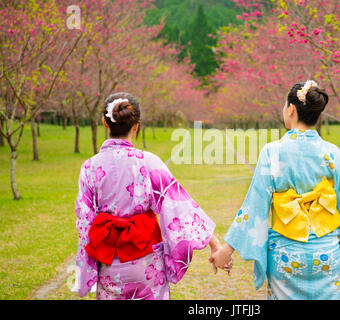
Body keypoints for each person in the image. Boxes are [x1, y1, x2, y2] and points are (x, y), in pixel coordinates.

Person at [209, 81, 340, 300]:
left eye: (285, 106)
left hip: (286, 258)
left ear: (291, 109)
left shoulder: (272, 152)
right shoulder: (332, 154)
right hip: (327, 257)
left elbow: (254, 207)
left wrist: (225, 252)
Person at [75, 92, 230, 300]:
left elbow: (85, 223)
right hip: (146, 264)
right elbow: (179, 205)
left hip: (110, 264)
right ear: (136, 126)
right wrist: (214, 243)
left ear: (105, 122)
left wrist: (87, 269)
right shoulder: (148, 162)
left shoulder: (89, 167)